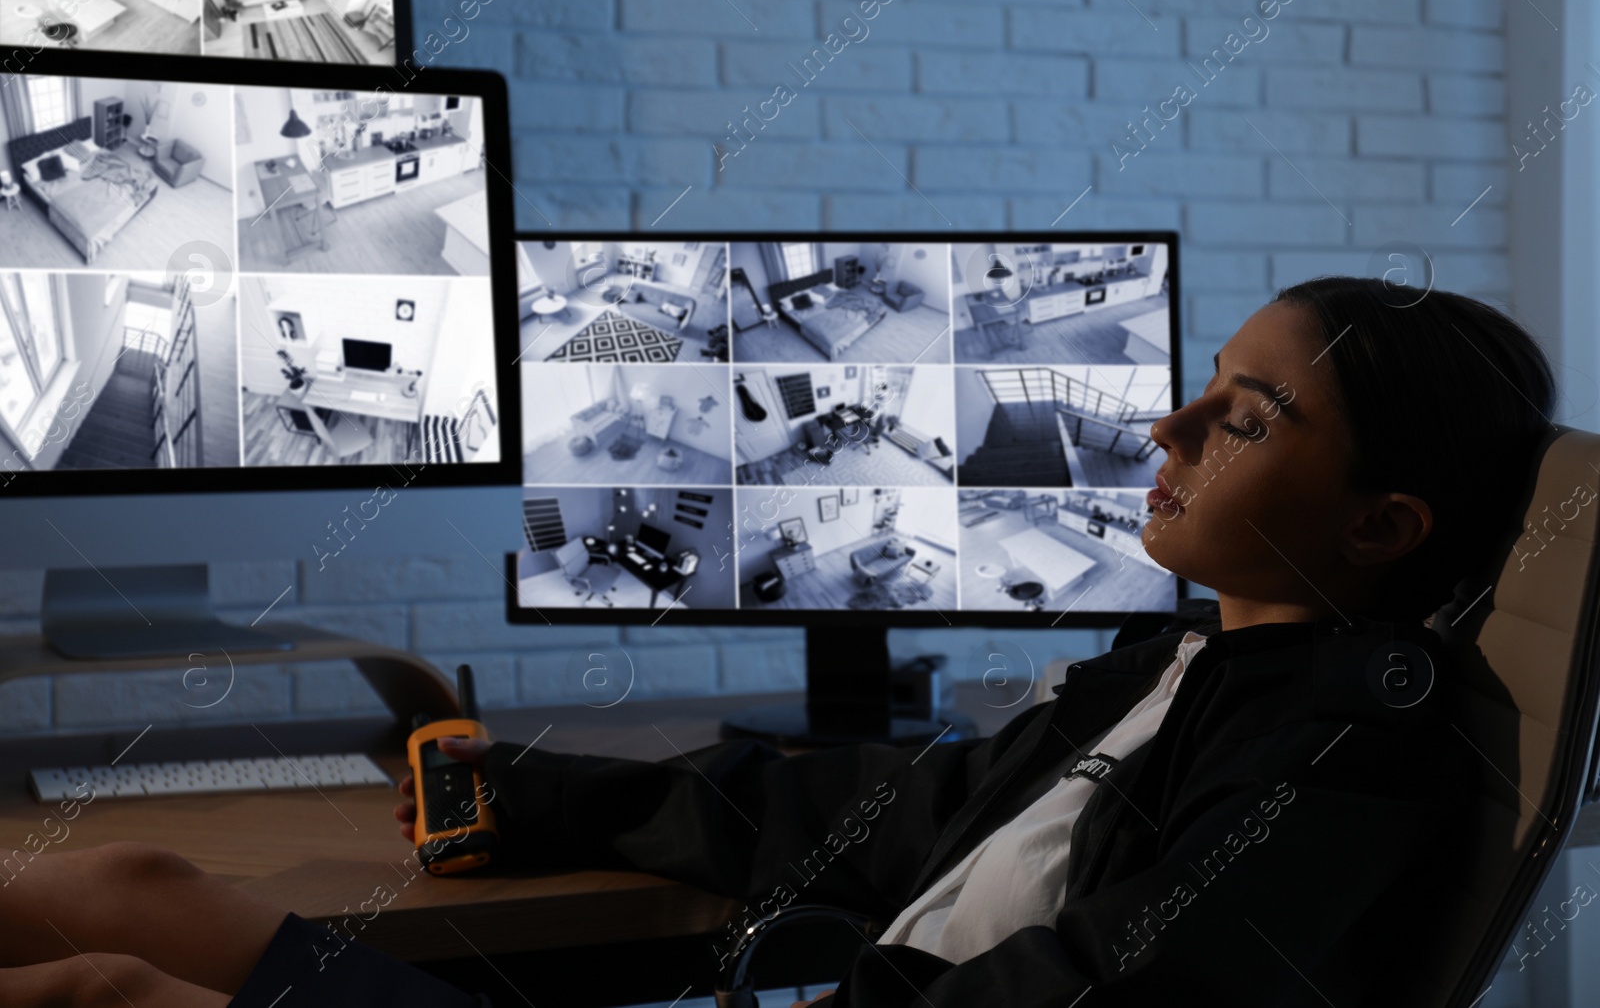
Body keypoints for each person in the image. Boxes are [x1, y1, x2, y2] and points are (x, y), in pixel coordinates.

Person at [0, 278, 1556, 1007]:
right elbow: (902, 818)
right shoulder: (1185, 668)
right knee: (131, 887)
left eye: (1251, 414)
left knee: (105, 989)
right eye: (1207, 381)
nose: (1168, 423)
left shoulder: (1369, 746)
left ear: (1384, 527)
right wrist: (540, 791)